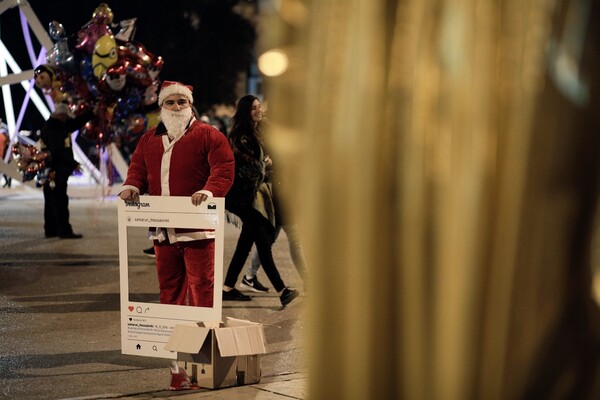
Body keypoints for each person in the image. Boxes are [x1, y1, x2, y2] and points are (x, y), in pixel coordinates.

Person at [119, 81, 234, 307]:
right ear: (162, 106)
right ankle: (172, 333)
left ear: (190, 105)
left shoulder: (209, 135)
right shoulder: (149, 138)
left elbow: (224, 168)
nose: (176, 106)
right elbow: (138, 169)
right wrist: (131, 186)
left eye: (182, 101)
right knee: (169, 286)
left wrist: (208, 191)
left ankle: (203, 333)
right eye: (170, 102)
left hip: (197, 229)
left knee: (202, 284)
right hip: (163, 230)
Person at [223, 94, 299, 307]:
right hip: (243, 197)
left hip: (256, 196)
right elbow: (250, 168)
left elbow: (269, 159)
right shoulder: (240, 135)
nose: (259, 111)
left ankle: (228, 287)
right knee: (264, 243)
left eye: (259, 107)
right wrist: (266, 164)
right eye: (254, 108)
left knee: (245, 243)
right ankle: (282, 290)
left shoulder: (257, 131)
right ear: (246, 111)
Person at [40, 103, 93, 239]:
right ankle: (64, 230)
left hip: (50, 171)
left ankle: (51, 229)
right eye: (66, 118)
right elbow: (57, 152)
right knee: (60, 202)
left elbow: (74, 124)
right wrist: (73, 164)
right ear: (62, 116)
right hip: (56, 172)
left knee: (51, 202)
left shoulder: (55, 125)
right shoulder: (54, 129)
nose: (67, 120)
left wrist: (91, 113)